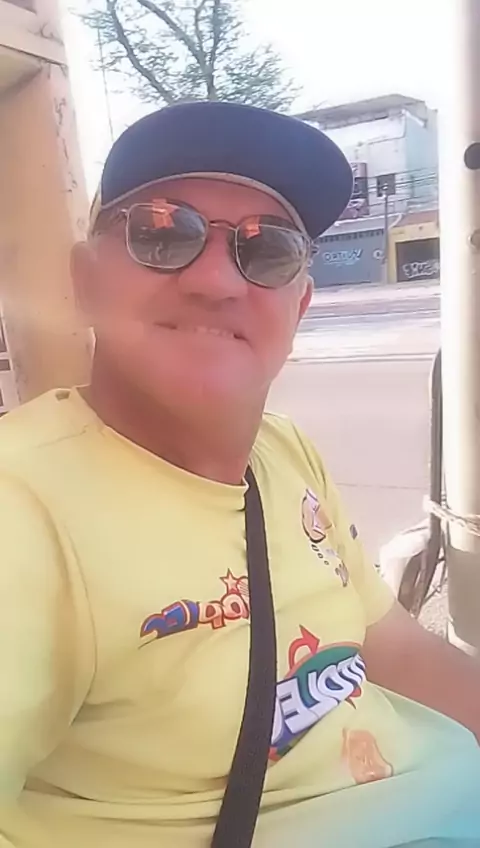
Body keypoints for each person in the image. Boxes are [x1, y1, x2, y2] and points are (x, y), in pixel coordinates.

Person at [0, 101, 479, 848]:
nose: (218, 280)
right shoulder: (23, 507)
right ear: (85, 279)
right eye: (162, 232)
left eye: (268, 250)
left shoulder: (284, 453)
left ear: (299, 304)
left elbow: (397, 649)